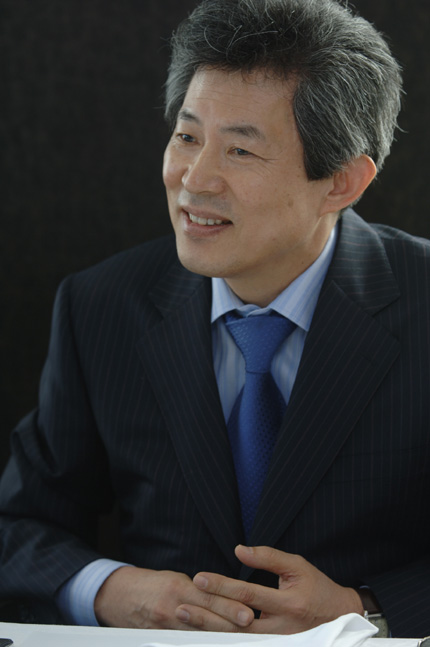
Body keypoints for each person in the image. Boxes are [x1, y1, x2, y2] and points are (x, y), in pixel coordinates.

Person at [0, 0, 429, 638]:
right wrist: (108, 590)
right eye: (187, 136)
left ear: (342, 182)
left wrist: (365, 608)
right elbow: (18, 527)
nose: (194, 180)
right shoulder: (101, 306)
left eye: (241, 151)